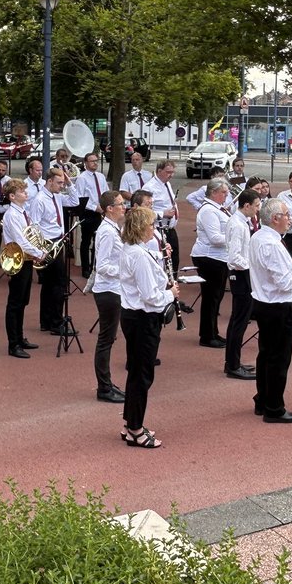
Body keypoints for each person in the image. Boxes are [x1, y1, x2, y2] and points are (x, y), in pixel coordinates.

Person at [119, 205, 178, 448]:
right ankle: (135, 429)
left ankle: (130, 422)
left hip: (135, 317)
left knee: (136, 372)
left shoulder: (135, 249)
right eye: (151, 226)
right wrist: (171, 294)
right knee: (142, 375)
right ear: (141, 228)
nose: (153, 230)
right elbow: (150, 297)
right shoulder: (138, 256)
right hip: (142, 319)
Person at [249, 198, 292, 423]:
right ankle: (274, 408)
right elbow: (285, 283)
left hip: (265, 303)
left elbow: (274, 272)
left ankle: (263, 399)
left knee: (266, 354)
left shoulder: (259, 236)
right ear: (275, 219)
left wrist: (291, 267)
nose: (289, 220)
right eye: (286, 215)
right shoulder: (271, 243)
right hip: (277, 306)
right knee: (278, 359)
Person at [0, 179, 42, 357]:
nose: (26, 193)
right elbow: (20, 240)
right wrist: (38, 252)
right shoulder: (12, 215)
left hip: (26, 259)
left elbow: (30, 233)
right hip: (17, 259)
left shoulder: (23, 211)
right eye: (22, 191)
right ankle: (13, 344)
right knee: (15, 303)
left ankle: (20, 336)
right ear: (12, 196)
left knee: (23, 301)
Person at [91, 190, 126, 402]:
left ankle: (107, 383)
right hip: (108, 291)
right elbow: (102, 265)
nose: (124, 207)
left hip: (114, 289)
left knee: (109, 338)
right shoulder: (106, 232)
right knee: (106, 339)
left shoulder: (113, 228)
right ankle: (103, 388)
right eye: (120, 204)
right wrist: (125, 272)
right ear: (110, 209)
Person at [224, 188, 260, 380]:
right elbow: (235, 257)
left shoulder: (241, 221)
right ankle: (233, 365)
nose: (257, 209)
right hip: (241, 275)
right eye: (256, 205)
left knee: (238, 321)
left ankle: (232, 361)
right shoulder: (238, 225)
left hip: (242, 274)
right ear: (246, 205)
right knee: (239, 321)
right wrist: (252, 268)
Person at [192, 178, 232, 347]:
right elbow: (215, 238)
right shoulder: (209, 210)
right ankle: (207, 336)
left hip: (218, 258)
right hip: (209, 258)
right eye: (223, 192)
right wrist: (235, 237)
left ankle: (212, 332)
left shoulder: (217, 209)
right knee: (211, 297)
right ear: (214, 193)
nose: (227, 195)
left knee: (216, 297)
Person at [31, 167, 70, 333]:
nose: (62, 186)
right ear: (49, 181)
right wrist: (41, 249)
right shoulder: (40, 199)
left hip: (58, 241)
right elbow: (35, 225)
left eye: (63, 182)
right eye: (59, 182)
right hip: (49, 245)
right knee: (58, 283)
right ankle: (56, 321)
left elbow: (75, 201)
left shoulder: (57, 196)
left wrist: (69, 183)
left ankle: (46, 321)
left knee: (50, 284)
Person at [144, 160, 181, 277]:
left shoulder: (167, 184)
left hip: (170, 228)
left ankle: (173, 287)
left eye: (172, 172)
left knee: (174, 260)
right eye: (168, 172)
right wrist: (162, 213)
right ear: (159, 171)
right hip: (158, 229)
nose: (171, 175)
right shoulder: (149, 187)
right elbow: (143, 211)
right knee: (163, 261)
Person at [77, 151, 109, 278]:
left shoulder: (101, 176)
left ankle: (96, 266)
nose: (95, 163)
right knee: (86, 241)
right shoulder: (82, 178)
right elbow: (81, 198)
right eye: (92, 161)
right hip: (89, 213)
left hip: (102, 212)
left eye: (96, 160)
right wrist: (95, 207)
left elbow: (106, 192)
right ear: (86, 163)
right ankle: (86, 268)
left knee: (99, 241)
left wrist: (107, 206)